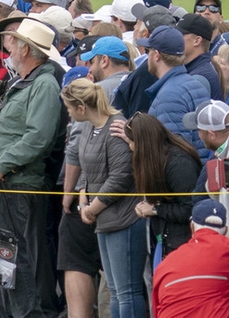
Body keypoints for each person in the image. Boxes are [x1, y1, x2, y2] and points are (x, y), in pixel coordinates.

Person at [0, 18, 63, 317]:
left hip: (17, 184)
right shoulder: (29, 81)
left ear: (26, 49)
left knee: (18, 258)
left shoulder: (43, 84)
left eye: (12, 40)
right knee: (1, 258)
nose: (7, 46)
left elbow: (38, 137)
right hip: (5, 185)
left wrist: (2, 164)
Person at [63, 79, 145, 318]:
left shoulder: (117, 126)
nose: (67, 112)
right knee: (116, 292)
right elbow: (85, 167)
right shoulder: (89, 126)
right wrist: (82, 197)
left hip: (124, 219)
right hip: (104, 218)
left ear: (81, 107)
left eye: (69, 107)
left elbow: (121, 177)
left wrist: (92, 208)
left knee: (126, 291)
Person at [122, 110, 201, 257]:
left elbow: (190, 209)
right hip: (165, 239)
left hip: (182, 244)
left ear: (142, 142)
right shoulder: (157, 160)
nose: (130, 147)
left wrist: (155, 209)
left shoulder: (179, 164)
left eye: (131, 142)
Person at [137, 25, 211, 157]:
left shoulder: (169, 97)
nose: (146, 55)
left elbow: (175, 155)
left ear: (157, 55)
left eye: (148, 51)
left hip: (187, 175)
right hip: (200, 173)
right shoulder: (195, 84)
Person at [152, 200, 229, 318]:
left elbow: (157, 308)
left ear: (192, 227)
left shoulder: (166, 263)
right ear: (225, 230)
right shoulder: (225, 248)